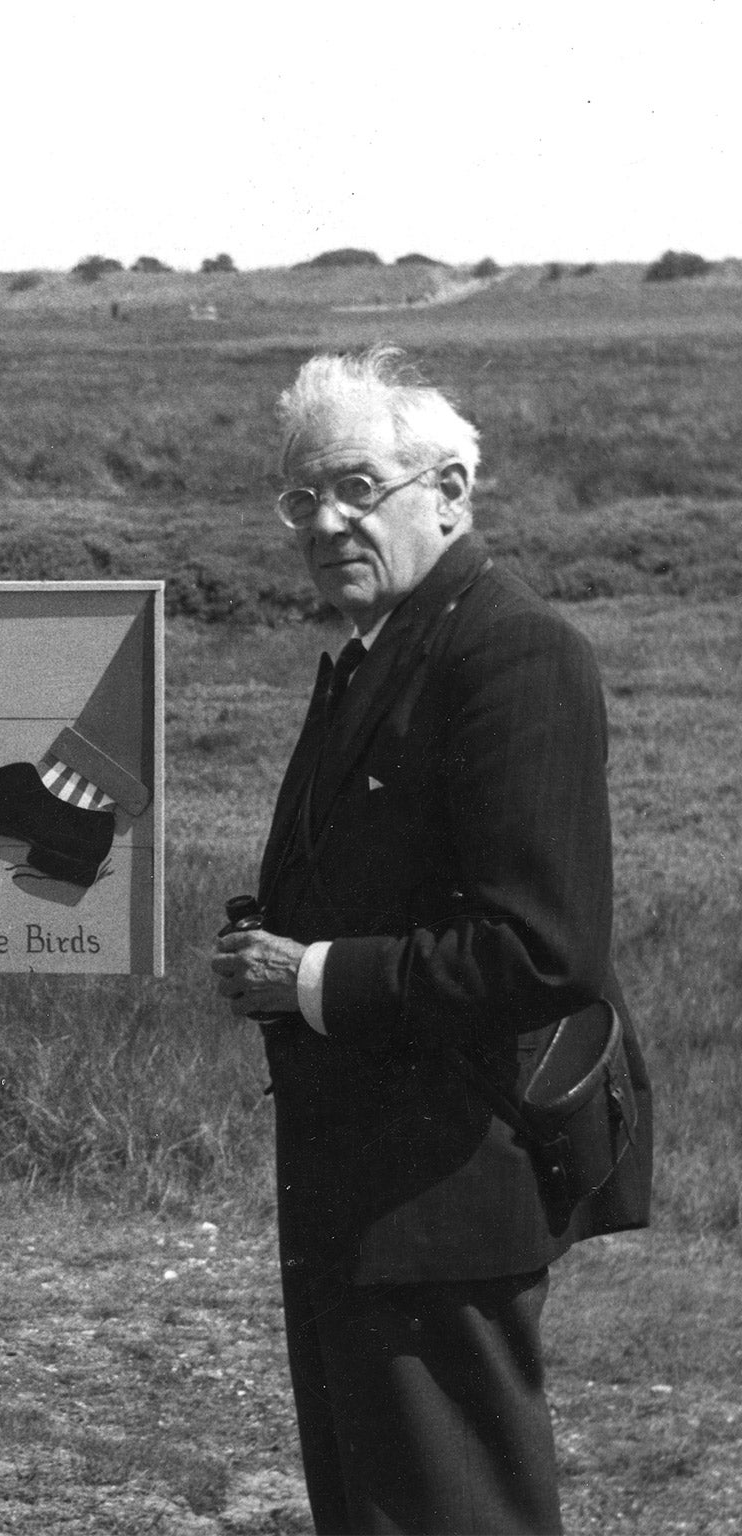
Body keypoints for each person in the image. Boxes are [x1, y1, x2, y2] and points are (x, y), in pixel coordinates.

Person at [210, 345, 651, 1534]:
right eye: (299, 498)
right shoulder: (377, 654)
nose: (324, 521)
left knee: (452, 1513)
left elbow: (540, 947)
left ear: (448, 494)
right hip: (366, 1185)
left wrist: (309, 978)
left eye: (357, 487)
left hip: (447, 1185)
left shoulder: (507, 652)